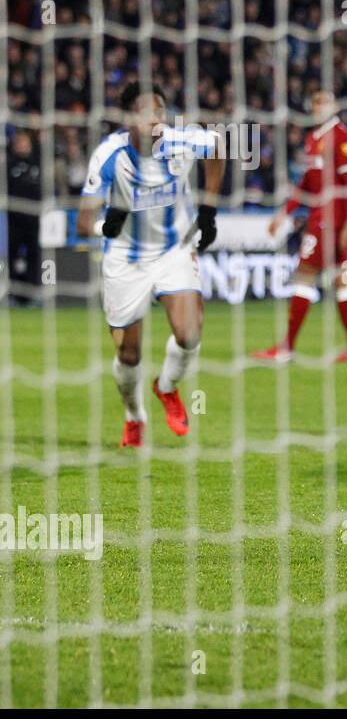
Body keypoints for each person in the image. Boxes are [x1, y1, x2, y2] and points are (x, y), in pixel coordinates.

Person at [75, 82, 224, 448]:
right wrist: (103, 226)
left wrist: (207, 211)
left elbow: (218, 148)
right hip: (125, 260)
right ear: (128, 118)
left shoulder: (180, 140)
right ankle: (134, 416)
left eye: (159, 111)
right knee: (128, 353)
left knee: (189, 333)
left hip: (173, 250)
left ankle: (167, 387)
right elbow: (81, 223)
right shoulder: (109, 155)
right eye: (146, 112)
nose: (155, 119)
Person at [252, 90, 347, 362]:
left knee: (305, 274)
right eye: (315, 102)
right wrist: (284, 213)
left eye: (324, 101)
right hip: (320, 216)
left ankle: (286, 348)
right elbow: (306, 183)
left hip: (330, 220)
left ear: (335, 105)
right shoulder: (313, 138)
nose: (319, 106)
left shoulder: (342, 136)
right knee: (341, 281)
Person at [5, 130, 41, 306]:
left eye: (25, 142)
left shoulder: (38, 163)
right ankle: (10, 294)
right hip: (14, 218)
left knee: (34, 257)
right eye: (19, 142)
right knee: (11, 256)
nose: (22, 146)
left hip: (34, 218)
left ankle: (32, 295)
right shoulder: (9, 165)